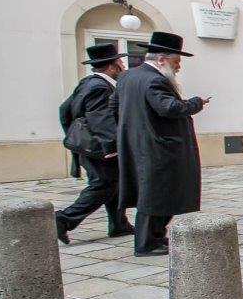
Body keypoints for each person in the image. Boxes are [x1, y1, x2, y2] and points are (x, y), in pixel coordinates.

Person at [112, 32, 211, 256]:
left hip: (139, 143)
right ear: (161, 59)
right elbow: (168, 108)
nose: (178, 67)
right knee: (157, 195)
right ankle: (147, 243)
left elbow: (114, 106)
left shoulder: (128, 76)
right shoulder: (155, 80)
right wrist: (196, 103)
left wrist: (127, 131)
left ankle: (155, 237)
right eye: (176, 61)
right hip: (159, 147)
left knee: (153, 193)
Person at [55, 43, 133, 244]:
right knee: (103, 185)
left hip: (90, 145)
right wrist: (112, 146)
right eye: (120, 62)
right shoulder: (100, 87)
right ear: (112, 66)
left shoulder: (87, 83)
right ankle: (64, 219)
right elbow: (101, 118)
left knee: (113, 183)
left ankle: (119, 224)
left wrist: (75, 135)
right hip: (101, 148)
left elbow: (64, 110)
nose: (123, 65)